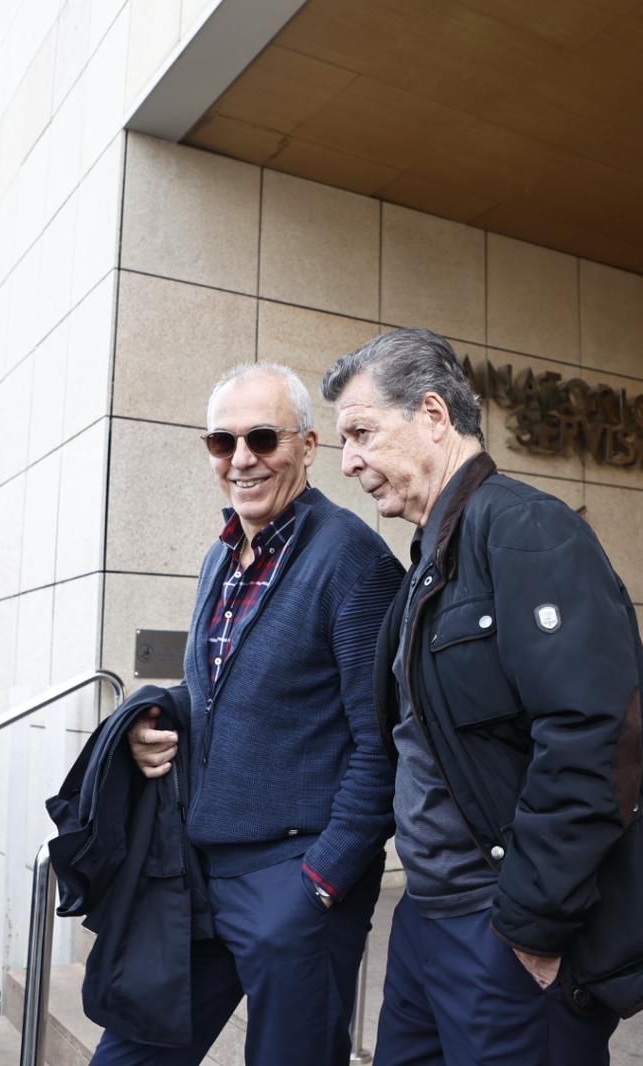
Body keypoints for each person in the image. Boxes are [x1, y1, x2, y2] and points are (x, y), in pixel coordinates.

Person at [321, 328, 643, 1066]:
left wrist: (532, 925)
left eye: (360, 433)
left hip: (501, 933)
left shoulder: (525, 530)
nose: (348, 461)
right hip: (427, 919)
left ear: (435, 416)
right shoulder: (427, 558)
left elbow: (595, 738)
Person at [99, 363, 402, 1066]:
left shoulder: (354, 561)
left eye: (263, 438)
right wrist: (154, 719)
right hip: (202, 874)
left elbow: (382, 744)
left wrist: (321, 881)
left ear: (306, 445)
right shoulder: (221, 556)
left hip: (294, 884)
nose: (241, 459)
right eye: (222, 441)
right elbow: (221, 688)